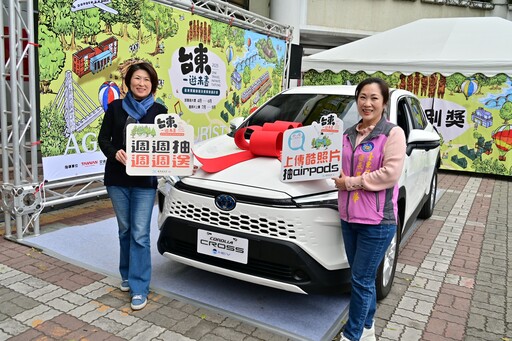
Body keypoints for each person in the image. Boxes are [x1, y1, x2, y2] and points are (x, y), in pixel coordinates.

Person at [332, 78, 406, 341]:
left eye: (374, 98)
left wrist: (349, 183)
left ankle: (351, 336)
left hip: (377, 222)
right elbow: (333, 166)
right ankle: (367, 328)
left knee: (361, 281)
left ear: (384, 102)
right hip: (348, 217)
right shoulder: (347, 134)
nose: (367, 103)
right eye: (363, 97)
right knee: (362, 278)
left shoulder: (392, 133)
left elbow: (390, 174)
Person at [98, 62, 167, 311]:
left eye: (147, 80)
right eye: (137, 78)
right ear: (129, 82)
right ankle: (126, 274)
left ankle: (139, 287)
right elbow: (103, 139)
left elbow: (169, 144)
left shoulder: (160, 111)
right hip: (117, 180)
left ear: (153, 84)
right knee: (125, 230)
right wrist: (115, 152)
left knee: (140, 234)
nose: (142, 83)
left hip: (145, 183)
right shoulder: (115, 108)